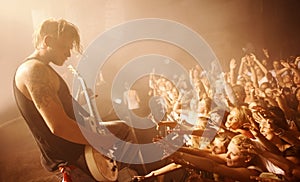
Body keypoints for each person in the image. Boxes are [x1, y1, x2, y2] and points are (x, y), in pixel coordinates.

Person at [13, 18, 156, 181]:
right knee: (120, 140)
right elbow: (59, 126)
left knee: (122, 129)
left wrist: (77, 104)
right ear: (48, 41)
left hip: (80, 151)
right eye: (64, 47)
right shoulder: (34, 71)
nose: (68, 54)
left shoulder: (40, 69)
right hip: (74, 159)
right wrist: (101, 141)